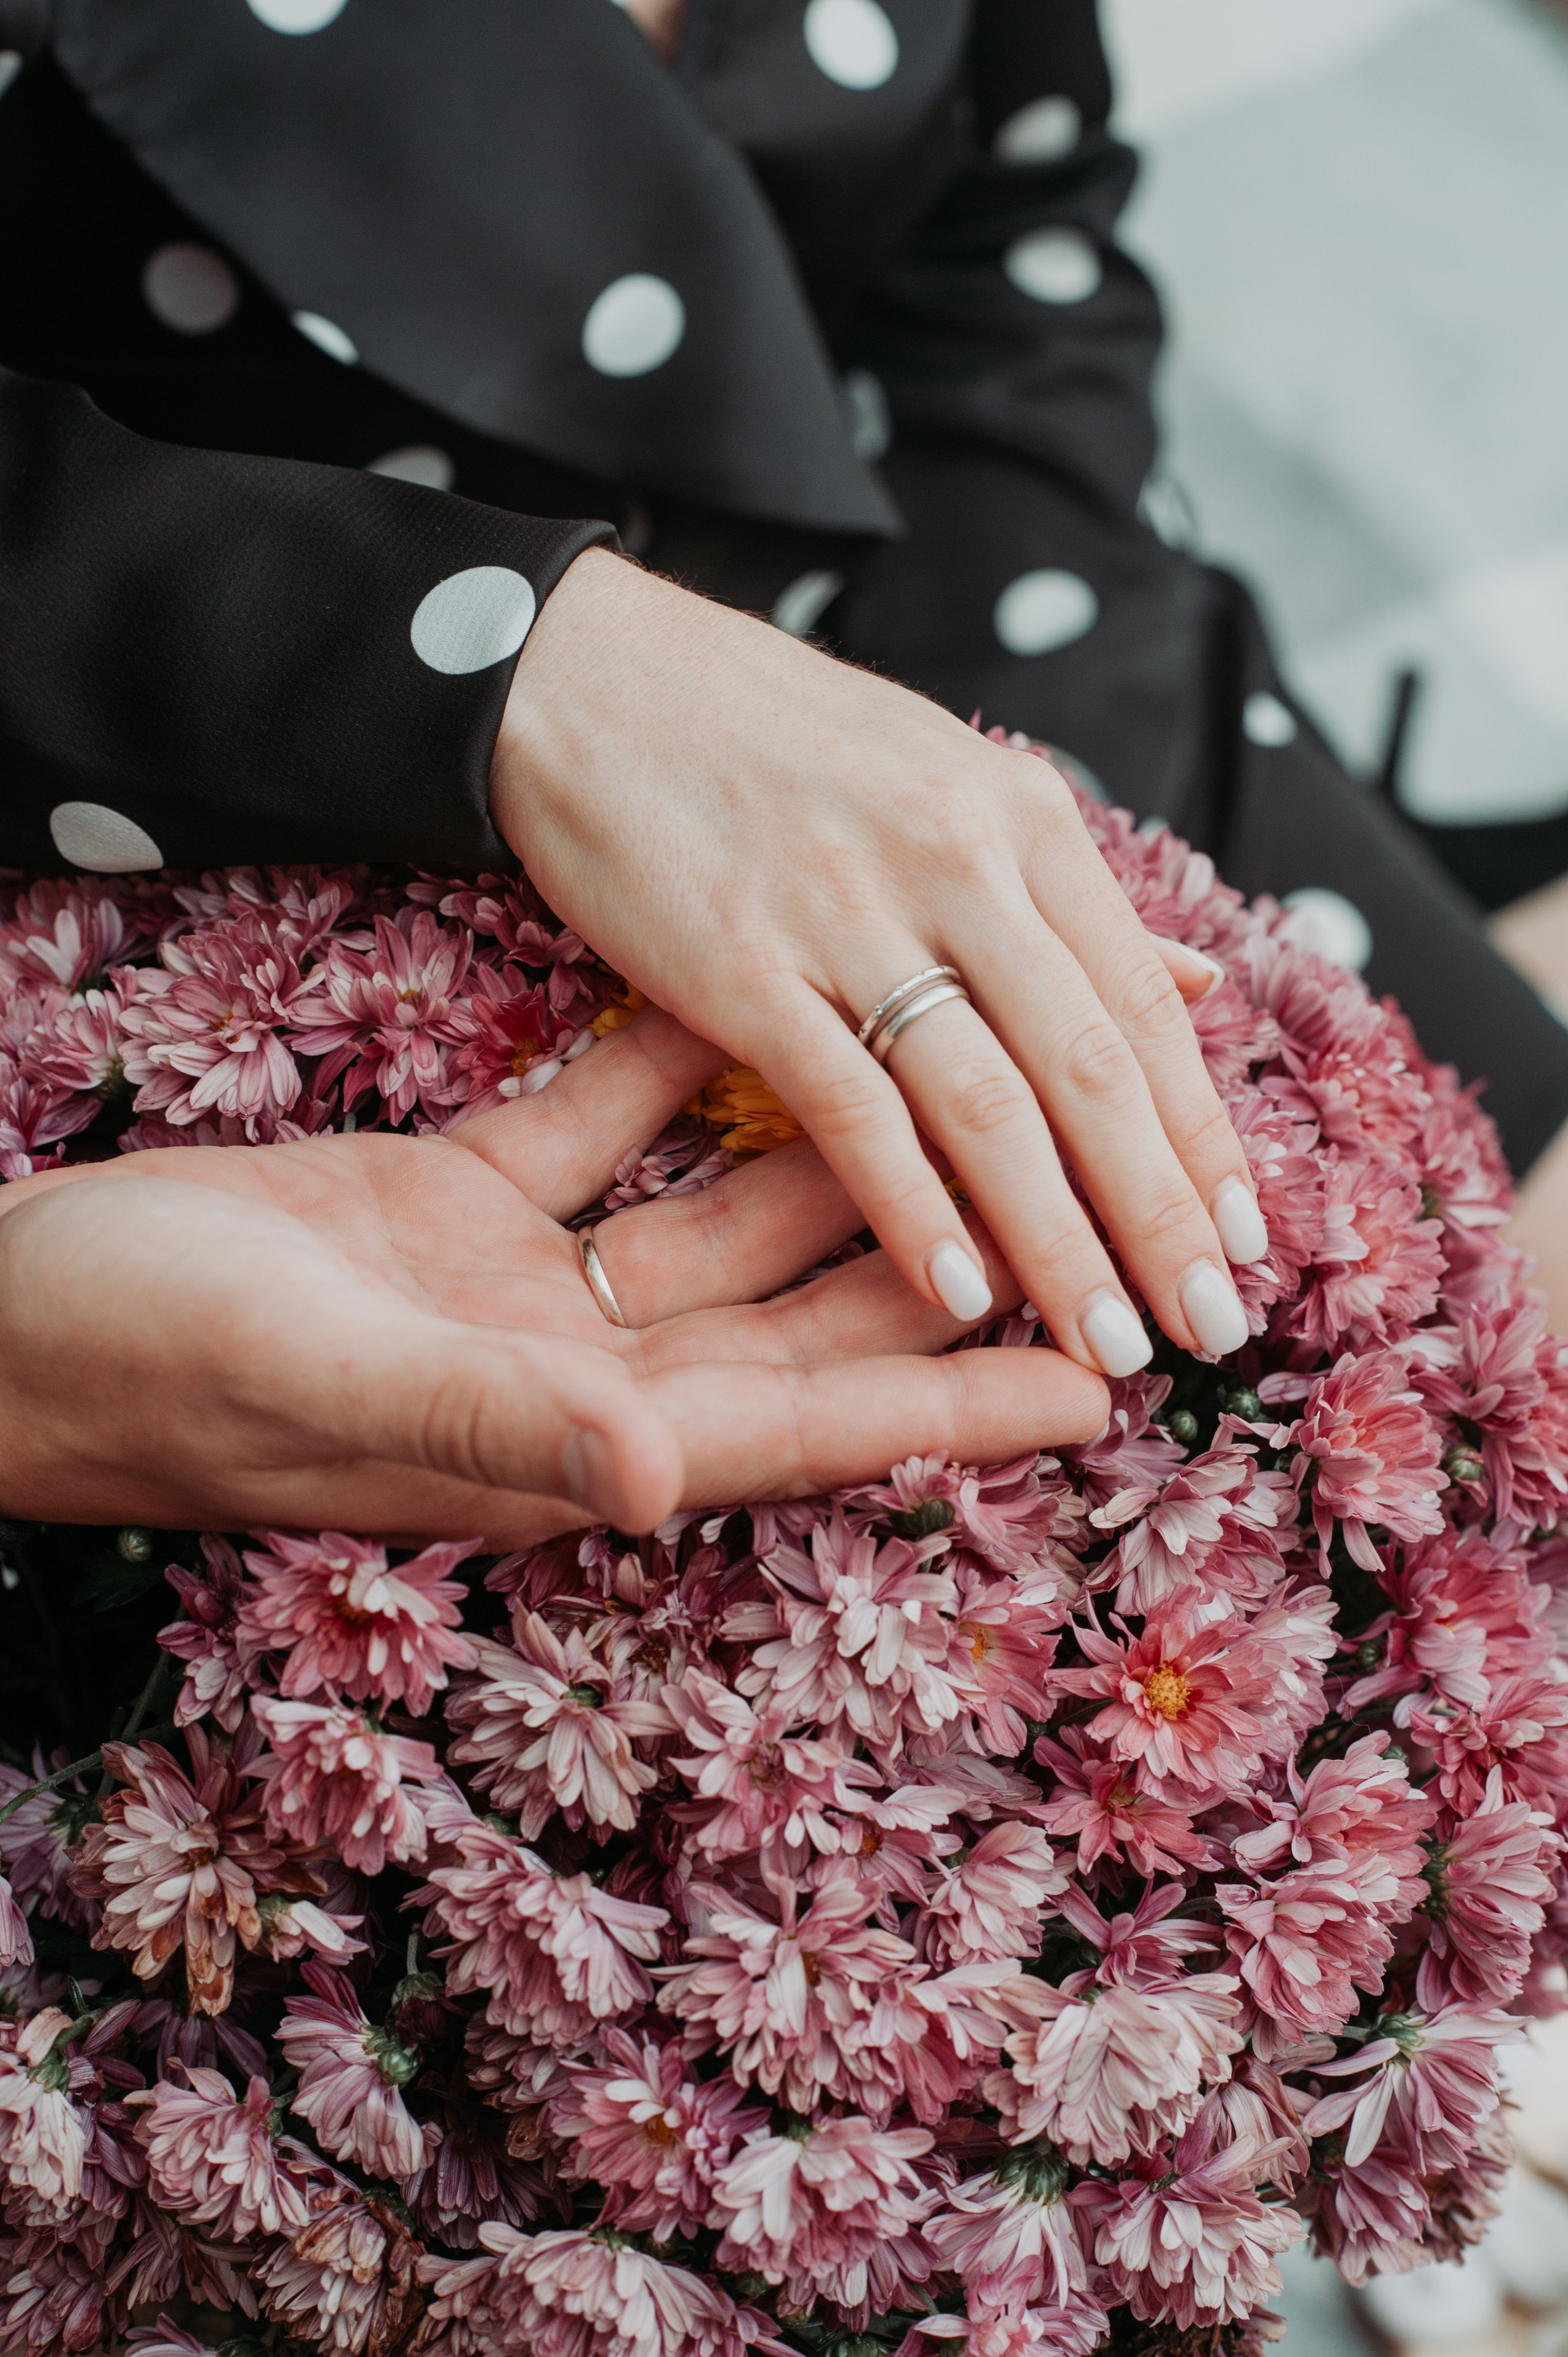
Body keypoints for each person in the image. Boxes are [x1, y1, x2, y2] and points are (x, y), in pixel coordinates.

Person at [0, 0, 1562, 1530]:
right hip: (252, 849)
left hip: (992, 659)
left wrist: (1011, 784)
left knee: (1499, 1340)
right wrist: (529, 663)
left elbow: (1010, 251)